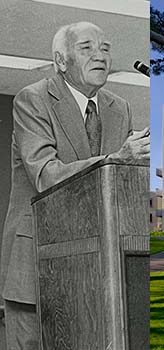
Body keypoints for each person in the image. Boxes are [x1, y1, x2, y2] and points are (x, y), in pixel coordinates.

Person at [0, 22, 149, 348]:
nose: (101, 56)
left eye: (106, 48)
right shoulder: (33, 99)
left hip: (95, 271)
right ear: (61, 60)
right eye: (87, 48)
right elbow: (46, 174)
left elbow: (122, 177)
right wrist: (116, 156)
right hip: (37, 262)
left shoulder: (119, 107)